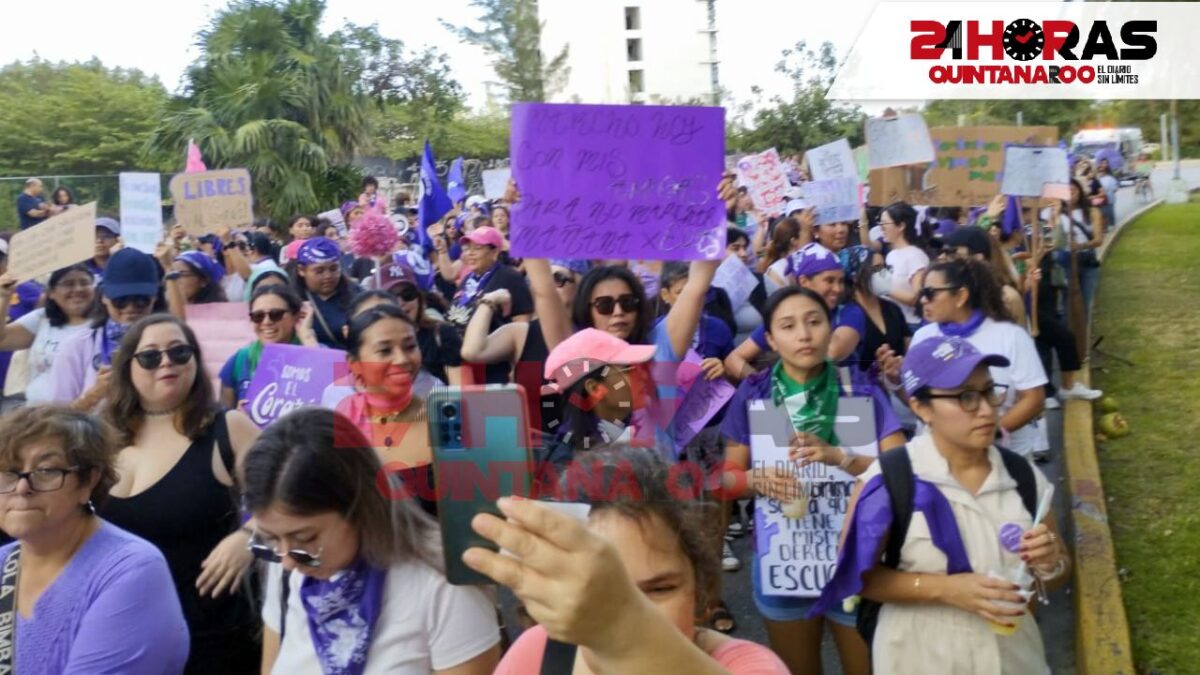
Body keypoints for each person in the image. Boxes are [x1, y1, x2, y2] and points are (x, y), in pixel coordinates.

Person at [811, 336, 1071, 674]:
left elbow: (1057, 572)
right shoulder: (890, 479)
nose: (986, 409)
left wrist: (1050, 563)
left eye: (989, 391)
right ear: (920, 407)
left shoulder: (1022, 476)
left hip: (1012, 661)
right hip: (918, 659)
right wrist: (947, 589)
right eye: (965, 397)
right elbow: (857, 577)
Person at [719, 286, 906, 675]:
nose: (804, 334)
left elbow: (904, 471)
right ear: (770, 338)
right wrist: (754, 478)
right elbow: (727, 480)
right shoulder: (757, 395)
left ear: (831, 328)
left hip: (857, 559)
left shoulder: (860, 388)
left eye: (815, 321)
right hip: (784, 563)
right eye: (788, 326)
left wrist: (842, 457)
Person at [484, 447, 790, 675]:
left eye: (659, 590)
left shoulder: (748, 665)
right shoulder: (537, 654)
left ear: (700, 589)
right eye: (602, 589)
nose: (632, 610)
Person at [249, 409, 501, 674]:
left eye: (306, 538)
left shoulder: (443, 584)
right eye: (270, 540)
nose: (288, 561)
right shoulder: (288, 567)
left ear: (358, 508)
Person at [100, 314, 263, 674]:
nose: (167, 363)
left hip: (212, 632)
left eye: (179, 352)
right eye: (150, 356)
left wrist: (249, 536)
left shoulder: (228, 427)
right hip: (122, 629)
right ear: (127, 366)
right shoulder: (101, 437)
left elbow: (291, 497)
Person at [0, 405, 190, 673]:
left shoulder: (131, 571)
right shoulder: (3, 561)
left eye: (46, 470)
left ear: (89, 480)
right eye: (8, 471)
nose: (22, 487)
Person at [902, 258, 1051, 460]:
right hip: (939, 462)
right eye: (921, 293)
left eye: (930, 293)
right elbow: (917, 401)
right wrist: (895, 382)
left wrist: (988, 432)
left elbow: (1033, 399)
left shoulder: (1011, 336)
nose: (923, 300)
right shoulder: (923, 337)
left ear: (961, 296)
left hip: (1005, 459)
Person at [335, 304, 439, 515]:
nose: (401, 359)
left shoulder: (444, 422)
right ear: (355, 364)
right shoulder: (339, 427)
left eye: (410, 346)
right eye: (384, 351)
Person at [49, 248, 166, 410]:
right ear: (104, 297)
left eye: (141, 300)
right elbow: (58, 419)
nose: (130, 308)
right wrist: (92, 396)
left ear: (155, 298)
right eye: (121, 300)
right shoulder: (76, 346)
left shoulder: (171, 345)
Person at [0, 266, 95, 404]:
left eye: (85, 283)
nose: (78, 289)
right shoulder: (42, 319)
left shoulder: (104, 324)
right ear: (51, 293)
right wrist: (4, 297)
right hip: (38, 415)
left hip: (85, 417)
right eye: (68, 284)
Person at [219, 285, 318, 408]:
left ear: (296, 316)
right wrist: (237, 418)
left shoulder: (319, 352)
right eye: (258, 316)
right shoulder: (240, 359)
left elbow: (335, 393)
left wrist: (307, 337)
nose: (266, 322)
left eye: (276, 314)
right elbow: (224, 416)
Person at [373, 258, 463, 386]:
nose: (401, 302)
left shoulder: (442, 334)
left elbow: (459, 391)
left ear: (419, 297)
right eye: (391, 296)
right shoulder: (372, 341)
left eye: (407, 294)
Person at [447, 225, 533, 337]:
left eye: (477, 248)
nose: (470, 253)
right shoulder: (468, 278)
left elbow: (522, 322)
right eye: (467, 248)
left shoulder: (510, 277)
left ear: (495, 253)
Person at [292, 237, 362, 349]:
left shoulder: (359, 296)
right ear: (301, 270)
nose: (328, 276)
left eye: (334, 269)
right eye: (319, 271)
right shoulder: (291, 300)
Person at [878, 202, 930, 331]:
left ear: (901, 226)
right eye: (880, 224)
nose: (881, 228)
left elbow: (918, 298)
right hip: (894, 322)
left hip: (910, 325)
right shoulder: (891, 255)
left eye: (885, 223)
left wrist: (884, 288)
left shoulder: (915, 256)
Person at [87, 217, 121, 283]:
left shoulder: (127, 266)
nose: (99, 241)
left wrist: (115, 259)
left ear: (118, 239)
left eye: (106, 236)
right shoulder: (80, 268)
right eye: (94, 236)